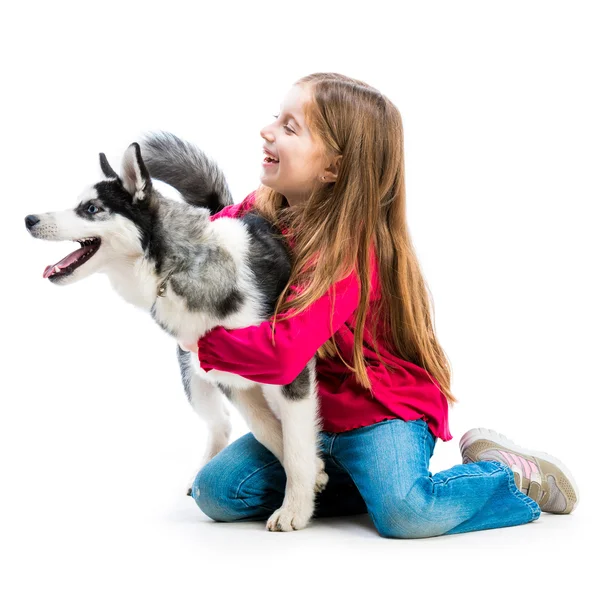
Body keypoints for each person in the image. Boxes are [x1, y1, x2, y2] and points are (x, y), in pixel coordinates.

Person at [188, 72, 579, 537]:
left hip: (380, 411)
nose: (267, 130)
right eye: (278, 117)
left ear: (333, 167)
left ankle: (504, 473)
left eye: (290, 127)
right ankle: (362, 484)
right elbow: (204, 240)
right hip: (309, 417)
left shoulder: (350, 251)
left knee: (405, 514)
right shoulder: (260, 210)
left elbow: (283, 353)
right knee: (218, 493)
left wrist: (203, 346)